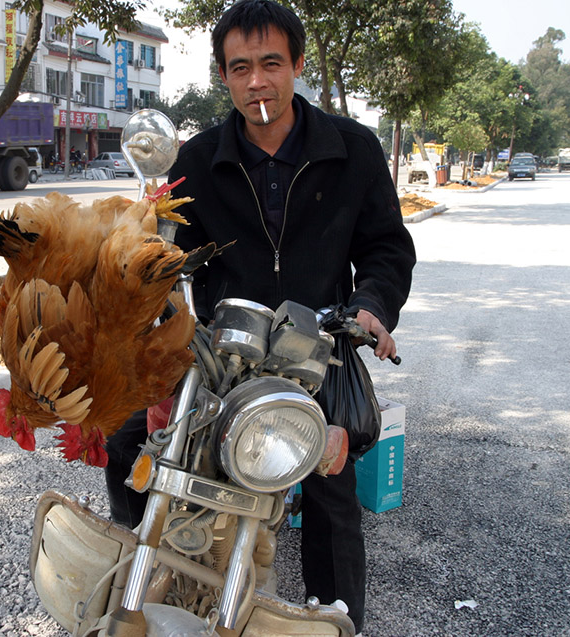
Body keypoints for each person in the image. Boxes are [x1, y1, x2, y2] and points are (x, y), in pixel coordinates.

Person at [103, 1, 416, 633]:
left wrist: (373, 307)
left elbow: (386, 247)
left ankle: (337, 619)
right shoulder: (192, 159)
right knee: (128, 443)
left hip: (317, 350)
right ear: (223, 75)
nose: (257, 82)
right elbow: (162, 255)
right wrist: (140, 260)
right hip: (220, 356)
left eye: (271, 64)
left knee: (331, 493)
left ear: (296, 66)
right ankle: (147, 574)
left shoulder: (351, 150)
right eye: (240, 67)